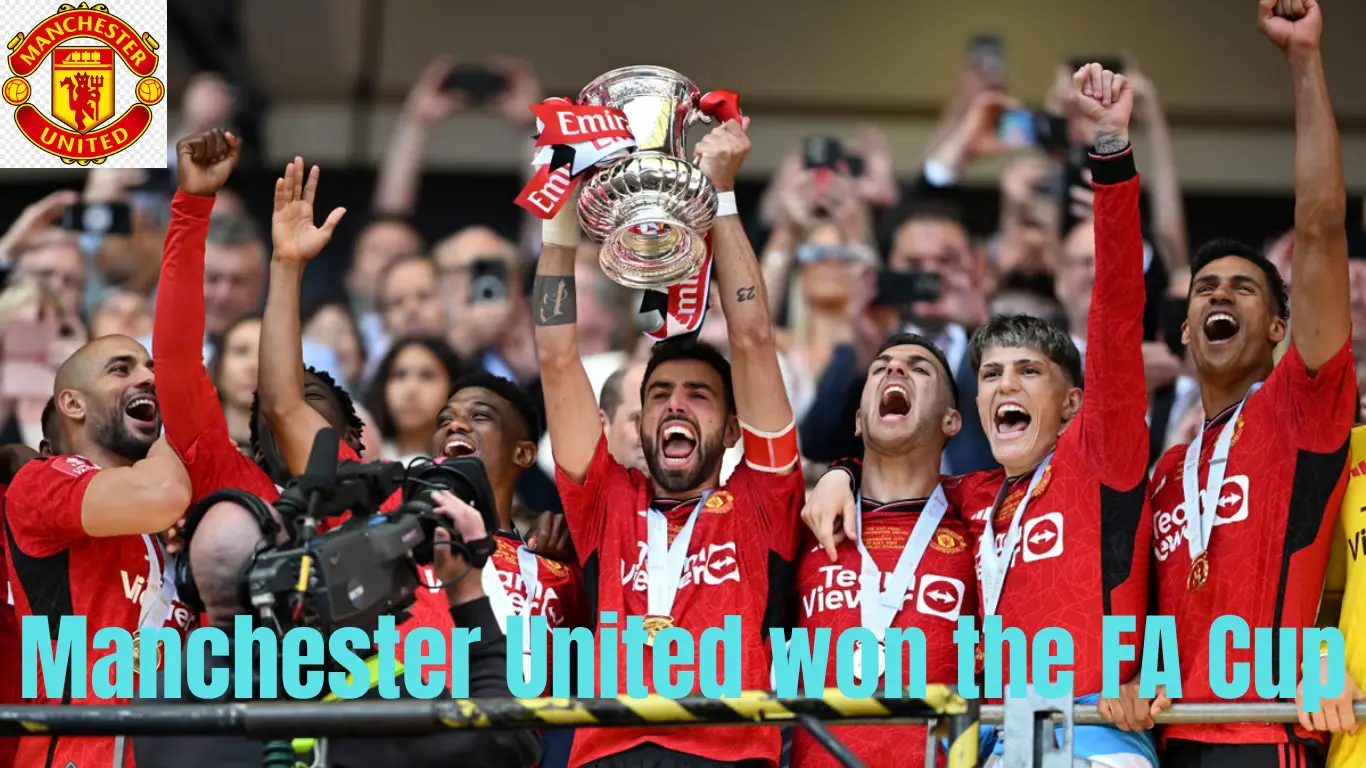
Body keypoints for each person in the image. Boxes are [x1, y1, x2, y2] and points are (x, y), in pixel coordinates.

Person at [805, 64, 1155, 767]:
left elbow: (1116, 312)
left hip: (1087, 736)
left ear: (1073, 404)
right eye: (991, 374)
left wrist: (1111, 149)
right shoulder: (971, 498)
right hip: (999, 742)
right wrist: (840, 472)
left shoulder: (1101, 457)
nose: (1004, 388)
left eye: (1029, 373)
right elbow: (893, 468)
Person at [535, 116, 804, 767]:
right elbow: (556, 355)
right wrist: (559, 227)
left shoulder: (763, 499)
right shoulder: (603, 497)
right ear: (639, 419)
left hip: (729, 753)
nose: (676, 405)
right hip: (610, 753)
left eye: (699, 394)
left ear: (734, 429)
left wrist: (724, 198)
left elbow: (753, 339)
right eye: (660, 395)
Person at [1137, 3, 1357, 766]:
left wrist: (1303, 61)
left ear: (1277, 330)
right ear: (1186, 334)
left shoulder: (1302, 407)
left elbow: (1322, 226)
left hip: (1263, 739)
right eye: (1204, 291)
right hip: (1167, 741)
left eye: (1242, 288)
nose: (1218, 296)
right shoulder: (1166, 472)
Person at [132, 489, 540, 768]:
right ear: (284, 574)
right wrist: (468, 591)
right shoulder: (354, 701)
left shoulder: (156, 703)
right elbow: (509, 740)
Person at [2, 334, 193, 768]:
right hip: (81, 755)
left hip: (169, 750)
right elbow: (161, 492)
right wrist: (186, 416)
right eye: (121, 369)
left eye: (151, 369)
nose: (147, 378)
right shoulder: (41, 481)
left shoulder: (171, 517)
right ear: (73, 404)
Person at [154, 129, 364, 510]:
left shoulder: (376, 498)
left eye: (311, 393)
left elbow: (285, 404)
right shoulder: (227, 477)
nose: (286, 395)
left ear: (353, 433)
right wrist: (191, 205)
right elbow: (178, 359)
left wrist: (286, 268)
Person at [792, 332, 972, 768]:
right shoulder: (808, 520)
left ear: (952, 421)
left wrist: (841, 470)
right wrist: (840, 471)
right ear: (858, 420)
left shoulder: (979, 512)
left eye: (919, 368)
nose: (895, 370)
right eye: (880, 368)